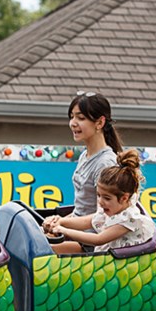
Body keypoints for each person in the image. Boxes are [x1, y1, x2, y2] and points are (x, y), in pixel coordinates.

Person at [42, 92, 123, 252]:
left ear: (99, 122)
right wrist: (58, 223)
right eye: (72, 117)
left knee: (33, 251)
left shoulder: (105, 163)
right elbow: (81, 210)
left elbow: (102, 218)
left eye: (80, 118)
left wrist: (62, 224)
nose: (73, 123)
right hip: (75, 232)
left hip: (90, 243)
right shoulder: (85, 156)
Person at [50, 150, 156, 253]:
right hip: (106, 259)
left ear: (124, 198)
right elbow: (89, 221)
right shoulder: (112, 209)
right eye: (98, 195)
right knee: (50, 248)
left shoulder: (128, 219)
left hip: (120, 265)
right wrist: (61, 221)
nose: (100, 202)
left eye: (107, 198)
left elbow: (98, 239)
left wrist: (63, 230)